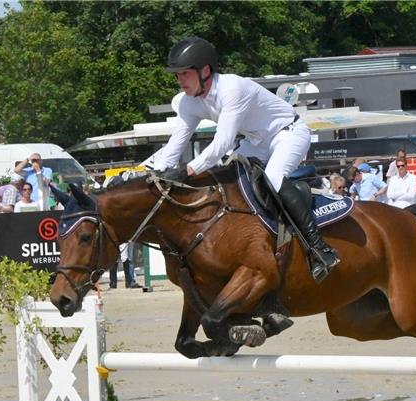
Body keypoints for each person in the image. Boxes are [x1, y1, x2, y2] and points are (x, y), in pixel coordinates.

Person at [144, 36, 337, 280]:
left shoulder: (233, 88)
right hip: (256, 142)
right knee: (227, 180)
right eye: (177, 75)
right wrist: (157, 172)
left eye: (184, 73)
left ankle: (320, 249)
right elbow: (176, 143)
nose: (179, 80)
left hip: (288, 133)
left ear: (205, 71)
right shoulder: (186, 102)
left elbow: (223, 142)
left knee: (273, 178)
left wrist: (189, 169)